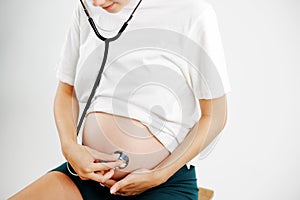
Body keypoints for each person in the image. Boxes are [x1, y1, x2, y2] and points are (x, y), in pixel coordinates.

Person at [9, 0, 231, 199]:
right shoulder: (87, 9)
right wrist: (69, 147)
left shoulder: (193, 13)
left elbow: (215, 115)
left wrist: (159, 175)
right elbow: (67, 91)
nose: (97, 2)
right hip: (89, 179)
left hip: (163, 185)